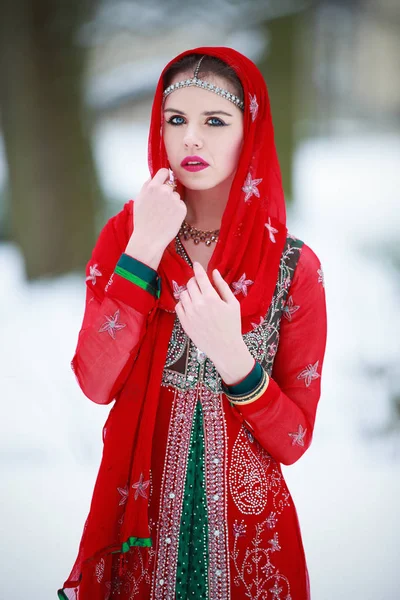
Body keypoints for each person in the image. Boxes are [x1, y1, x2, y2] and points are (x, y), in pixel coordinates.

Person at [58, 46, 327, 600]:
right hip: (142, 521)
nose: (192, 139)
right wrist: (143, 251)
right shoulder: (127, 239)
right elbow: (95, 380)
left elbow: (295, 437)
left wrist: (236, 360)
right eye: (176, 120)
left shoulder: (293, 268)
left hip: (249, 537)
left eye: (215, 121)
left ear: (248, 131)